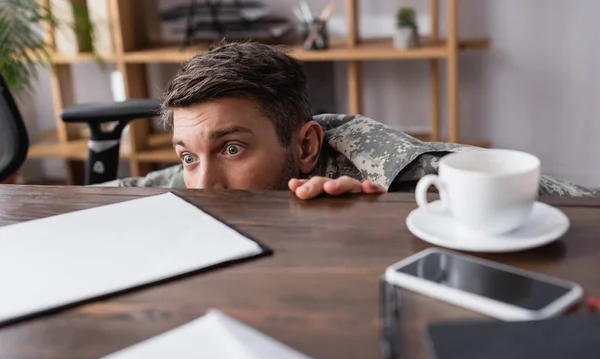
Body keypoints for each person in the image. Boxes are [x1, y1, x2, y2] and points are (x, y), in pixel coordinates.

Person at [103, 41, 598, 199]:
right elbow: (105, 199)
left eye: (232, 148)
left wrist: (376, 226)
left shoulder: (402, 175)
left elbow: (579, 211)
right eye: (188, 156)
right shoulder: (203, 179)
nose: (203, 184)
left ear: (305, 147)